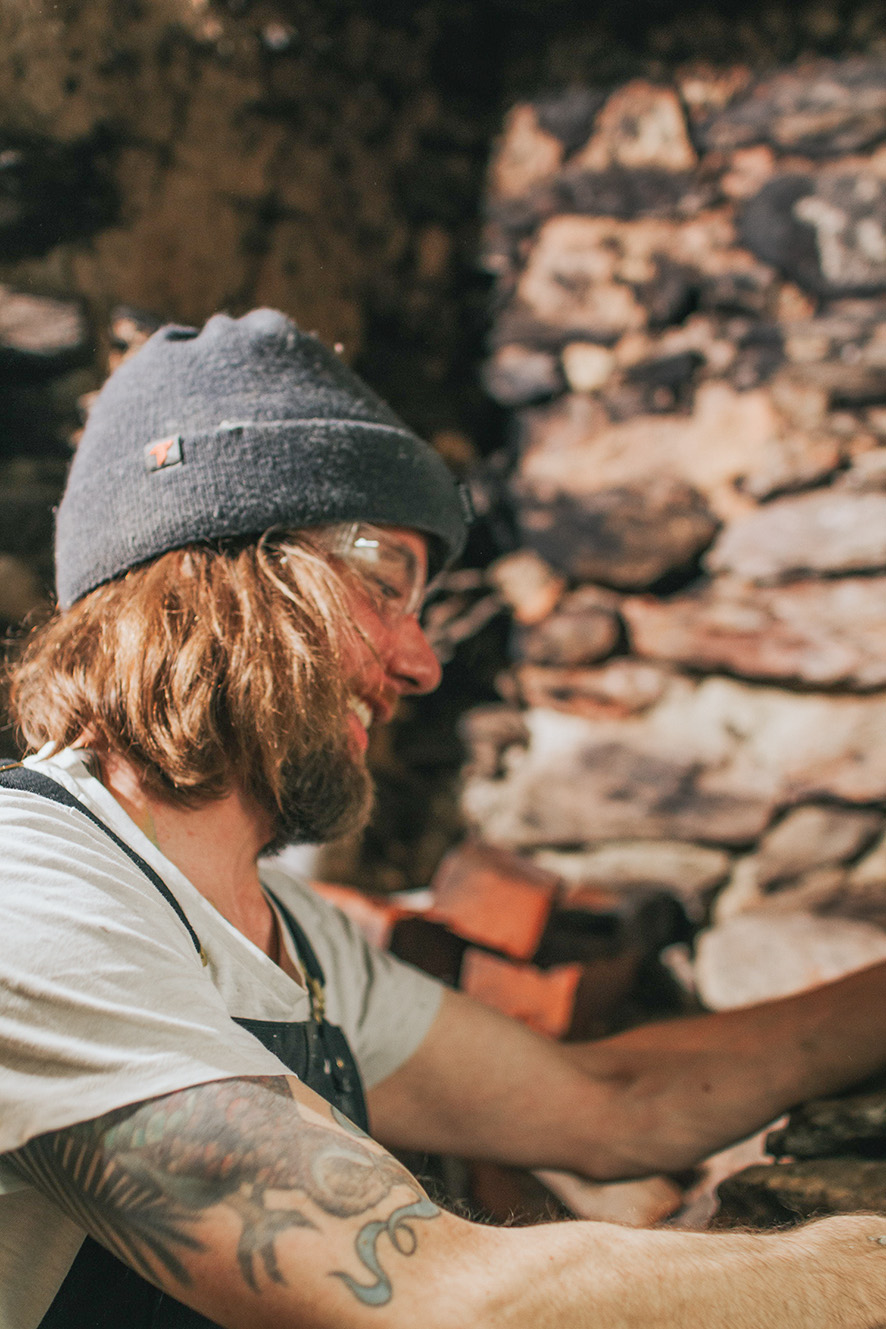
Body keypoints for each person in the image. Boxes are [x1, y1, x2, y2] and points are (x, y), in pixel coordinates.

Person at [1, 308, 885, 1329]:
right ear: (209, 579)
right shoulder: (35, 890)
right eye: (383, 584)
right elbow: (432, 1297)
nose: (419, 664)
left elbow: (619, 1104)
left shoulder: (294, 938)